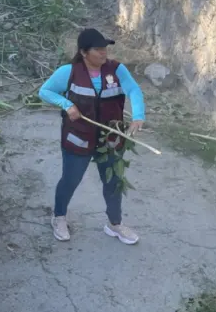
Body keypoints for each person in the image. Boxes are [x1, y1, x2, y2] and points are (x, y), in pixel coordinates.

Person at [38, 28, 146, 245]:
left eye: (105, 48)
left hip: (111, 138)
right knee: (71, 179)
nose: (103, 53)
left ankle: (114, 224)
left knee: (113, 181)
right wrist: (67, 105)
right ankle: (59, 217)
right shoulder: (68, 72)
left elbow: (134, 90)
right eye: (98, 49)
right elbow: (45, 91)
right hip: (78, 137)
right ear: (84, 52)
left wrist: (138, 116)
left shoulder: (117, 70)